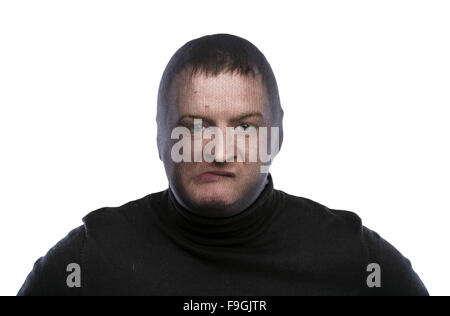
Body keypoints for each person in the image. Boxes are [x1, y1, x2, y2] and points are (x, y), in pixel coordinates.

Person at [18, 33, 429, 296]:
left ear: (277, 135)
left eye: (245, 128)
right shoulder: (89, 258)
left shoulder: (356, 260)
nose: (219, 151)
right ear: (161, 136)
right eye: (195, 128)